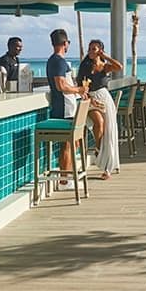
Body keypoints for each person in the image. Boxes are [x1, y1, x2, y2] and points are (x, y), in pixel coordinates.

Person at [76, 39, 123, 180]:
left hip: (105, 98)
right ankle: (97, 147)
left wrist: (105, 56)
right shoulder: (84, 66)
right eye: (90, 49)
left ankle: (107, 168)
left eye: (94, 49)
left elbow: (119, 66)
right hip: (90, 100)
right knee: (99, 122)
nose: (90, 51)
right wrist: (90, 99)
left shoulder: (104, 67)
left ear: (100, 51)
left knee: (109, 131)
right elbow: (80, 87)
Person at [47, 29, 88, 183]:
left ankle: (68, 172)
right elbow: (61, 85)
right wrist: (78, 89)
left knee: (74, 142)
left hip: (68, 106)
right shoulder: (58, 61)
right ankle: (64, 179)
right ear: (65, 43)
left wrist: (78, 92)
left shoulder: (57, 61)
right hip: (63, 109)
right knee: (68, 144)